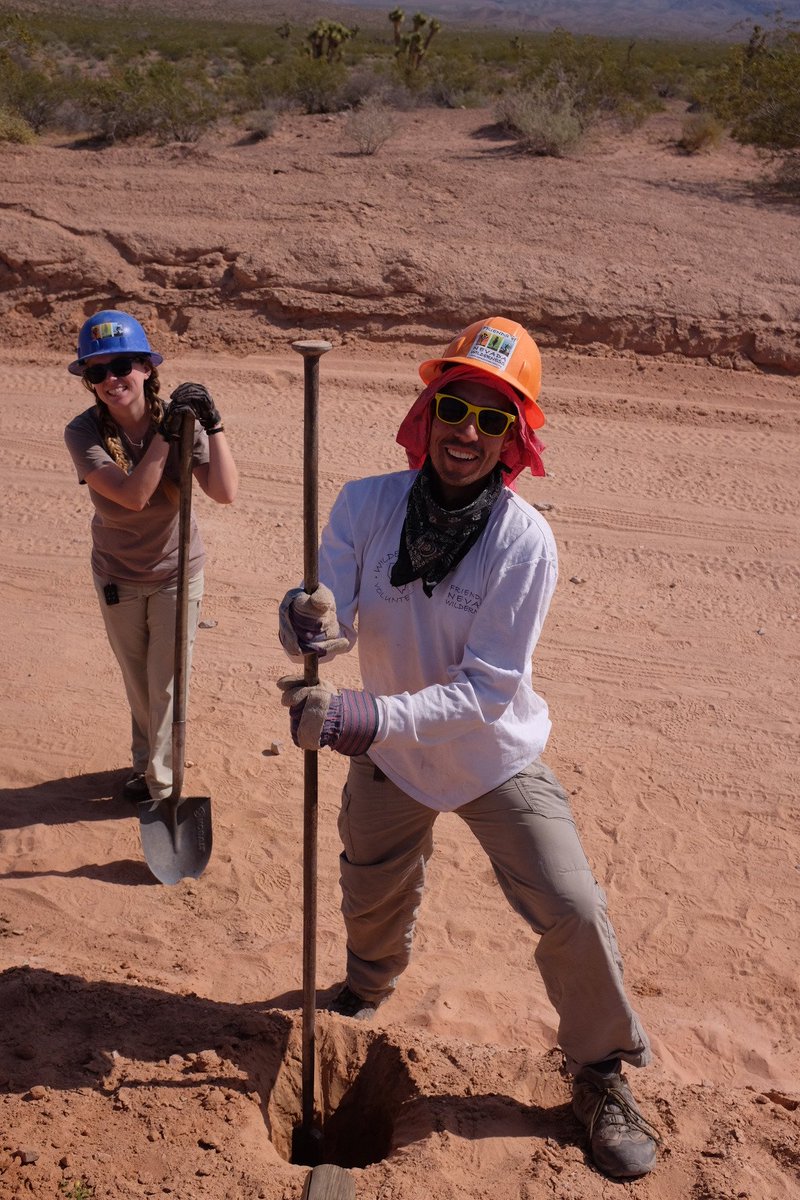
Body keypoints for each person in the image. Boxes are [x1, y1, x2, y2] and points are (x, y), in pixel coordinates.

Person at [277, 316, 661, 1180]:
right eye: (456, 407)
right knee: (369, 890)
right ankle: (368, 986)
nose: (468, 433)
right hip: (394, 758)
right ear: (429, 410)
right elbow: (327, 618)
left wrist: (361, 719)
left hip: (492, 756)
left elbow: (488, 692)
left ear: (515, 438)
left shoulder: (524, 542)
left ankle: (600, 1075)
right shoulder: (364, 504)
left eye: (493, 419)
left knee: (571, 905)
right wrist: (309, 620)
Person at [64, 309, 238, 804]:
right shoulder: (83, 434)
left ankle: (162, 787)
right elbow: (134, 495)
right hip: (116, 573)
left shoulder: (183, 424)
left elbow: (224, 492)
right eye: (97, 372)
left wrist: (213, 424)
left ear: (145, 367)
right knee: (138, 681)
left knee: (165, 683)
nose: (111, 379)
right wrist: (168, 433)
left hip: (176, 573)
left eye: (121, 366)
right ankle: (147, 763)